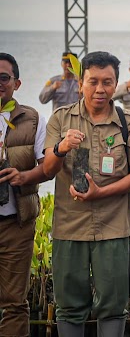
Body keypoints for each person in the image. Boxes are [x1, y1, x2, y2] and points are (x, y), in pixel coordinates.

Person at [43, 51, 130, 335]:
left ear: (116, 84)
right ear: (80, 83)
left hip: (114, 226)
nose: (100, 89)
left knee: (113, 305)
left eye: (107, 82)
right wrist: (60, 148)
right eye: (93, 81)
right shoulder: (61, 119)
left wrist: (101, 193)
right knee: (69, 306)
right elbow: (48, 171)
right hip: (69, 227)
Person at [0, 53, 50, 336]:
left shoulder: (32, 119)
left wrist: (22, 177)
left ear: (16, 83)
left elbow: (47, 168)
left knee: (15, 303)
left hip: (16, 225)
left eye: (4, 78)